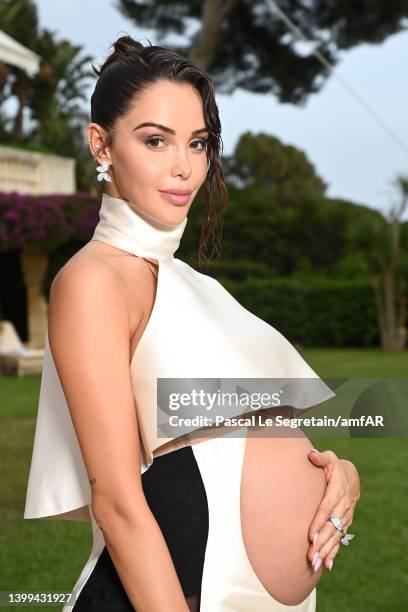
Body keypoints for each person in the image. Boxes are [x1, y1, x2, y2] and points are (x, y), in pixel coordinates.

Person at [24, 36, 360, 611]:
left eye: (198, 143)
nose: (184, 166)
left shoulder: (196, 286)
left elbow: (253, 432)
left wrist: (339, 474)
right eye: (156, 140)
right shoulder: (94, 282)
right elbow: (118, 504)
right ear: (100, 144)